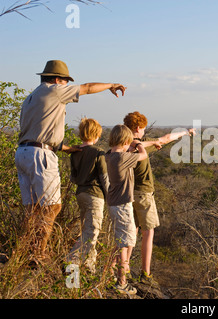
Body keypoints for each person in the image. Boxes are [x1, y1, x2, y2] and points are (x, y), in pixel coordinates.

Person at [15, 60, 127, 265]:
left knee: (33, 209)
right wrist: (111, 85)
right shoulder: (55, 91)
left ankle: (22, 253)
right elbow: (87, 88)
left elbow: (38, 132)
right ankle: (38, 254)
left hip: (23, 152)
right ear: (58, 80)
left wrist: (66, 148)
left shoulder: (31, 98)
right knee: (52, 207)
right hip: (40, 156)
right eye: (66, 81)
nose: (67, 86)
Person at [123, 111, 195, 287]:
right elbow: (166, 138)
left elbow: (163, 139)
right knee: (148, 232)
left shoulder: (122, 145)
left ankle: (123, 269)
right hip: (144, 193)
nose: (143, 132)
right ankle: (145, 273)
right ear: (138, 128)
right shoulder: (139, 145)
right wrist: (186, 132)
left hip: (128, 194)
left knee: (131, 231)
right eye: (143, 129)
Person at [105, 124, 161, 295]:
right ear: (125, 140)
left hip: (114, 203)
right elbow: (143, 155)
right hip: (122, 205)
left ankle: (109, 272)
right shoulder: (122, 157)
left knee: (121, 240)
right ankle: (121, 282)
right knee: (125, 243)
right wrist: (138, 144)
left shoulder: (109, 155)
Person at [67, 118, 109, 274]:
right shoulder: (98, 153)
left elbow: (73, 177)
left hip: (80, 193)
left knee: (87, 230)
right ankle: (72, 263)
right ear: (96, 134)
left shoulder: (75, 153)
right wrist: (110, 197)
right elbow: (104, 178)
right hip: (95, 195)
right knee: (91, 232)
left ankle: (89, 267)